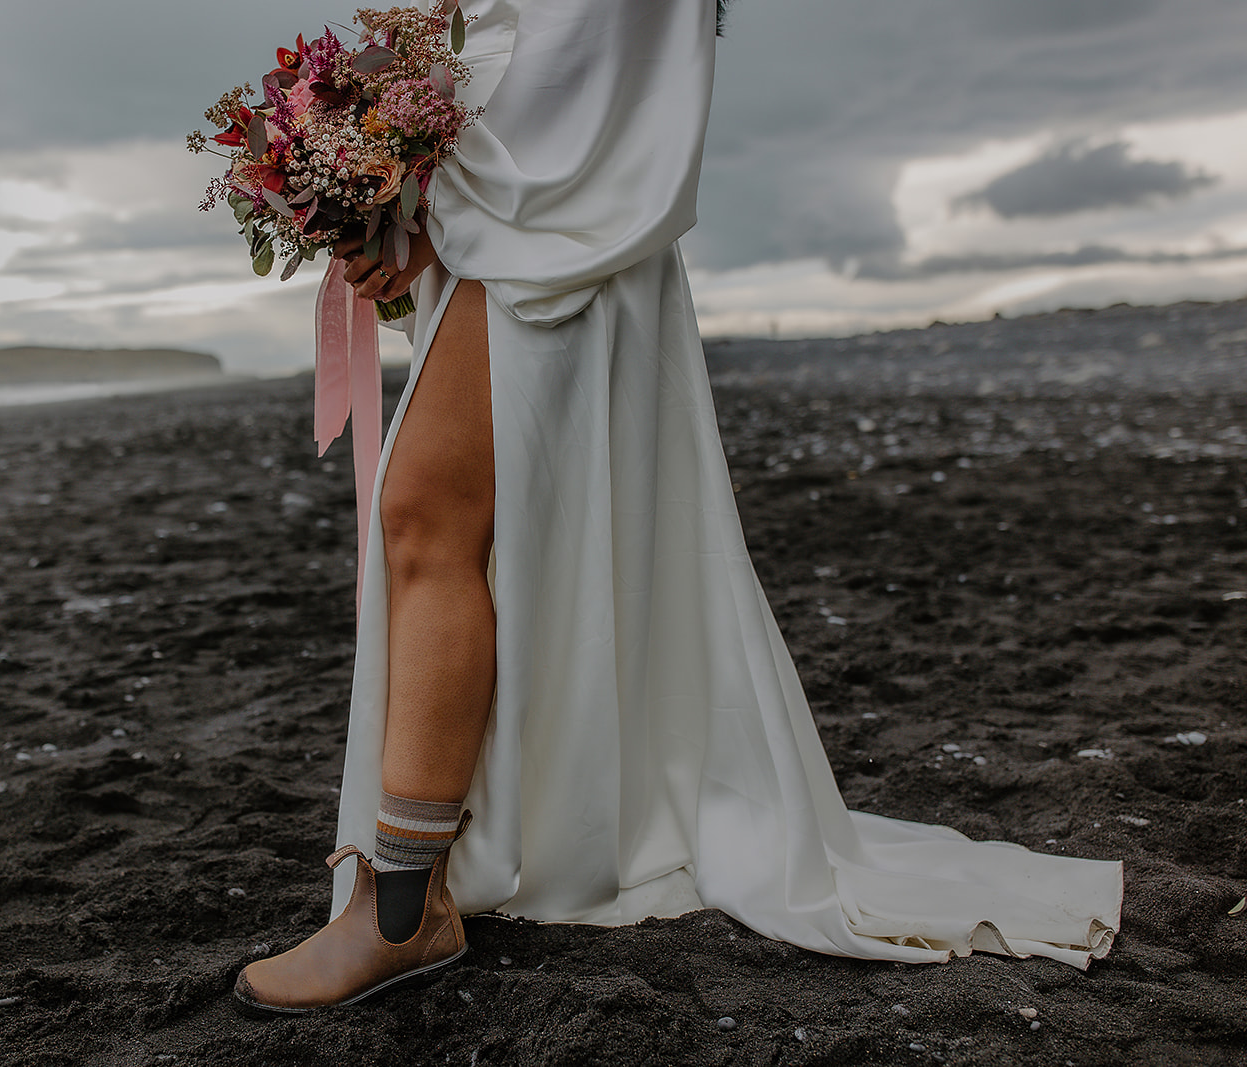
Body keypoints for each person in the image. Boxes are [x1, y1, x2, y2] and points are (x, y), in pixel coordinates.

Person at [234, 0, 1122, 1013]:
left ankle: (399, 910)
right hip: (510, 203)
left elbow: (593, 44)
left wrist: (436, 201)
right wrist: (383, 174)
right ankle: (431, 866)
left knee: (425, 515)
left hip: (546, 217)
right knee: (486, 532)